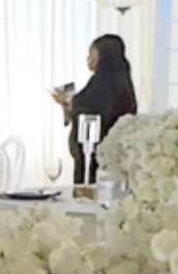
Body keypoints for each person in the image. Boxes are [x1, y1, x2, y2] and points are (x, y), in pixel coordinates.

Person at [51, 32, 140, 184]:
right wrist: (69, 102)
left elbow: (88, 108)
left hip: (96, 156)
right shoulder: (122, 81)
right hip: (116, 155)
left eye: (91, 53)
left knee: (90, 189)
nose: (88, 58)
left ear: (103, 56)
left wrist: (67, 101)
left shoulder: (101, 82)